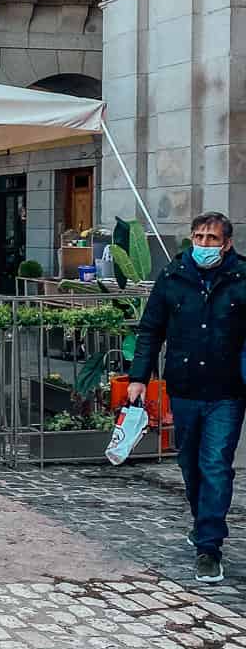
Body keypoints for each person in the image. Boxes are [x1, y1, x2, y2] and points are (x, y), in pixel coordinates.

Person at [128, 211, 246, 584]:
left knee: (216, 464)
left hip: (227, 390)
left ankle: (209, 547)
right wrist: (139, 378)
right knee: (190, 464)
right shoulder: (173, 276)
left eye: (212, 239)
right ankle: (202, 521)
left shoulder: (242, 277)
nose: (204, 244)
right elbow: (151, 330)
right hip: (184, 387)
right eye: (199, 237)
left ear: (227, 243)